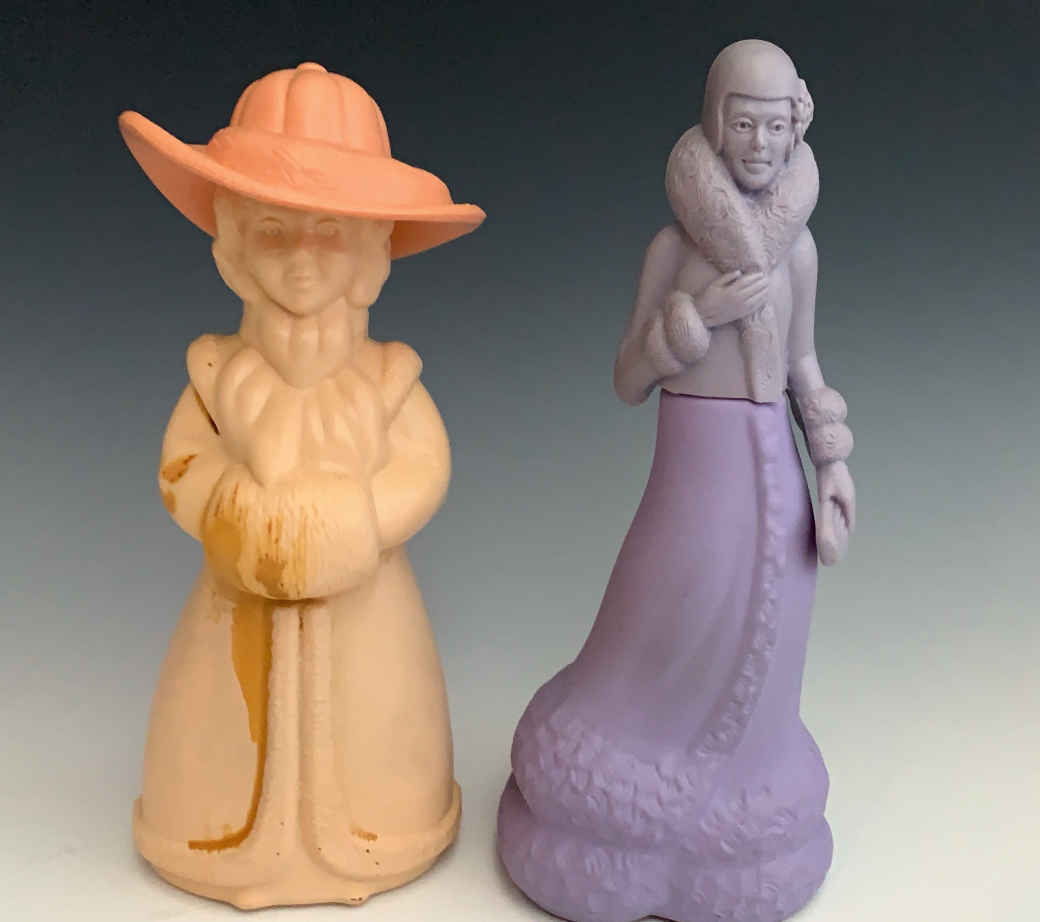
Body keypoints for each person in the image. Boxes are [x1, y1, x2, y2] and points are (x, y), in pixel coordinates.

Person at [498, 40, 855, 922]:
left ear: (797, 130)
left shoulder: (798, 253)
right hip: (694, 473)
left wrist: (834, 461)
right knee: (665, 611)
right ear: (714, 124)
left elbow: (804, 365)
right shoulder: (674, 248)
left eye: (775, 127)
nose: (760, 145)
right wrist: (697, 316)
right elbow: (628, 378)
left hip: (778, 474)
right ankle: (615, 779)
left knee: (775, 630)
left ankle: (741, 803)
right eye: (744, 124)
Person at [119, 62, 484, 908]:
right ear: (232, 246)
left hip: (369, 605)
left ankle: (387, 826)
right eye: (273, 232)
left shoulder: (389, 379)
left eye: (329, 234)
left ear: (372, 254)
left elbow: (424, 468)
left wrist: (356, 523)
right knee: (219, 725)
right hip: (233, 604)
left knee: (377, 714)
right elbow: (181, 470)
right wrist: (237, 513)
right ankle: (214, 833)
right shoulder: (217, 375)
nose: (303, 261)